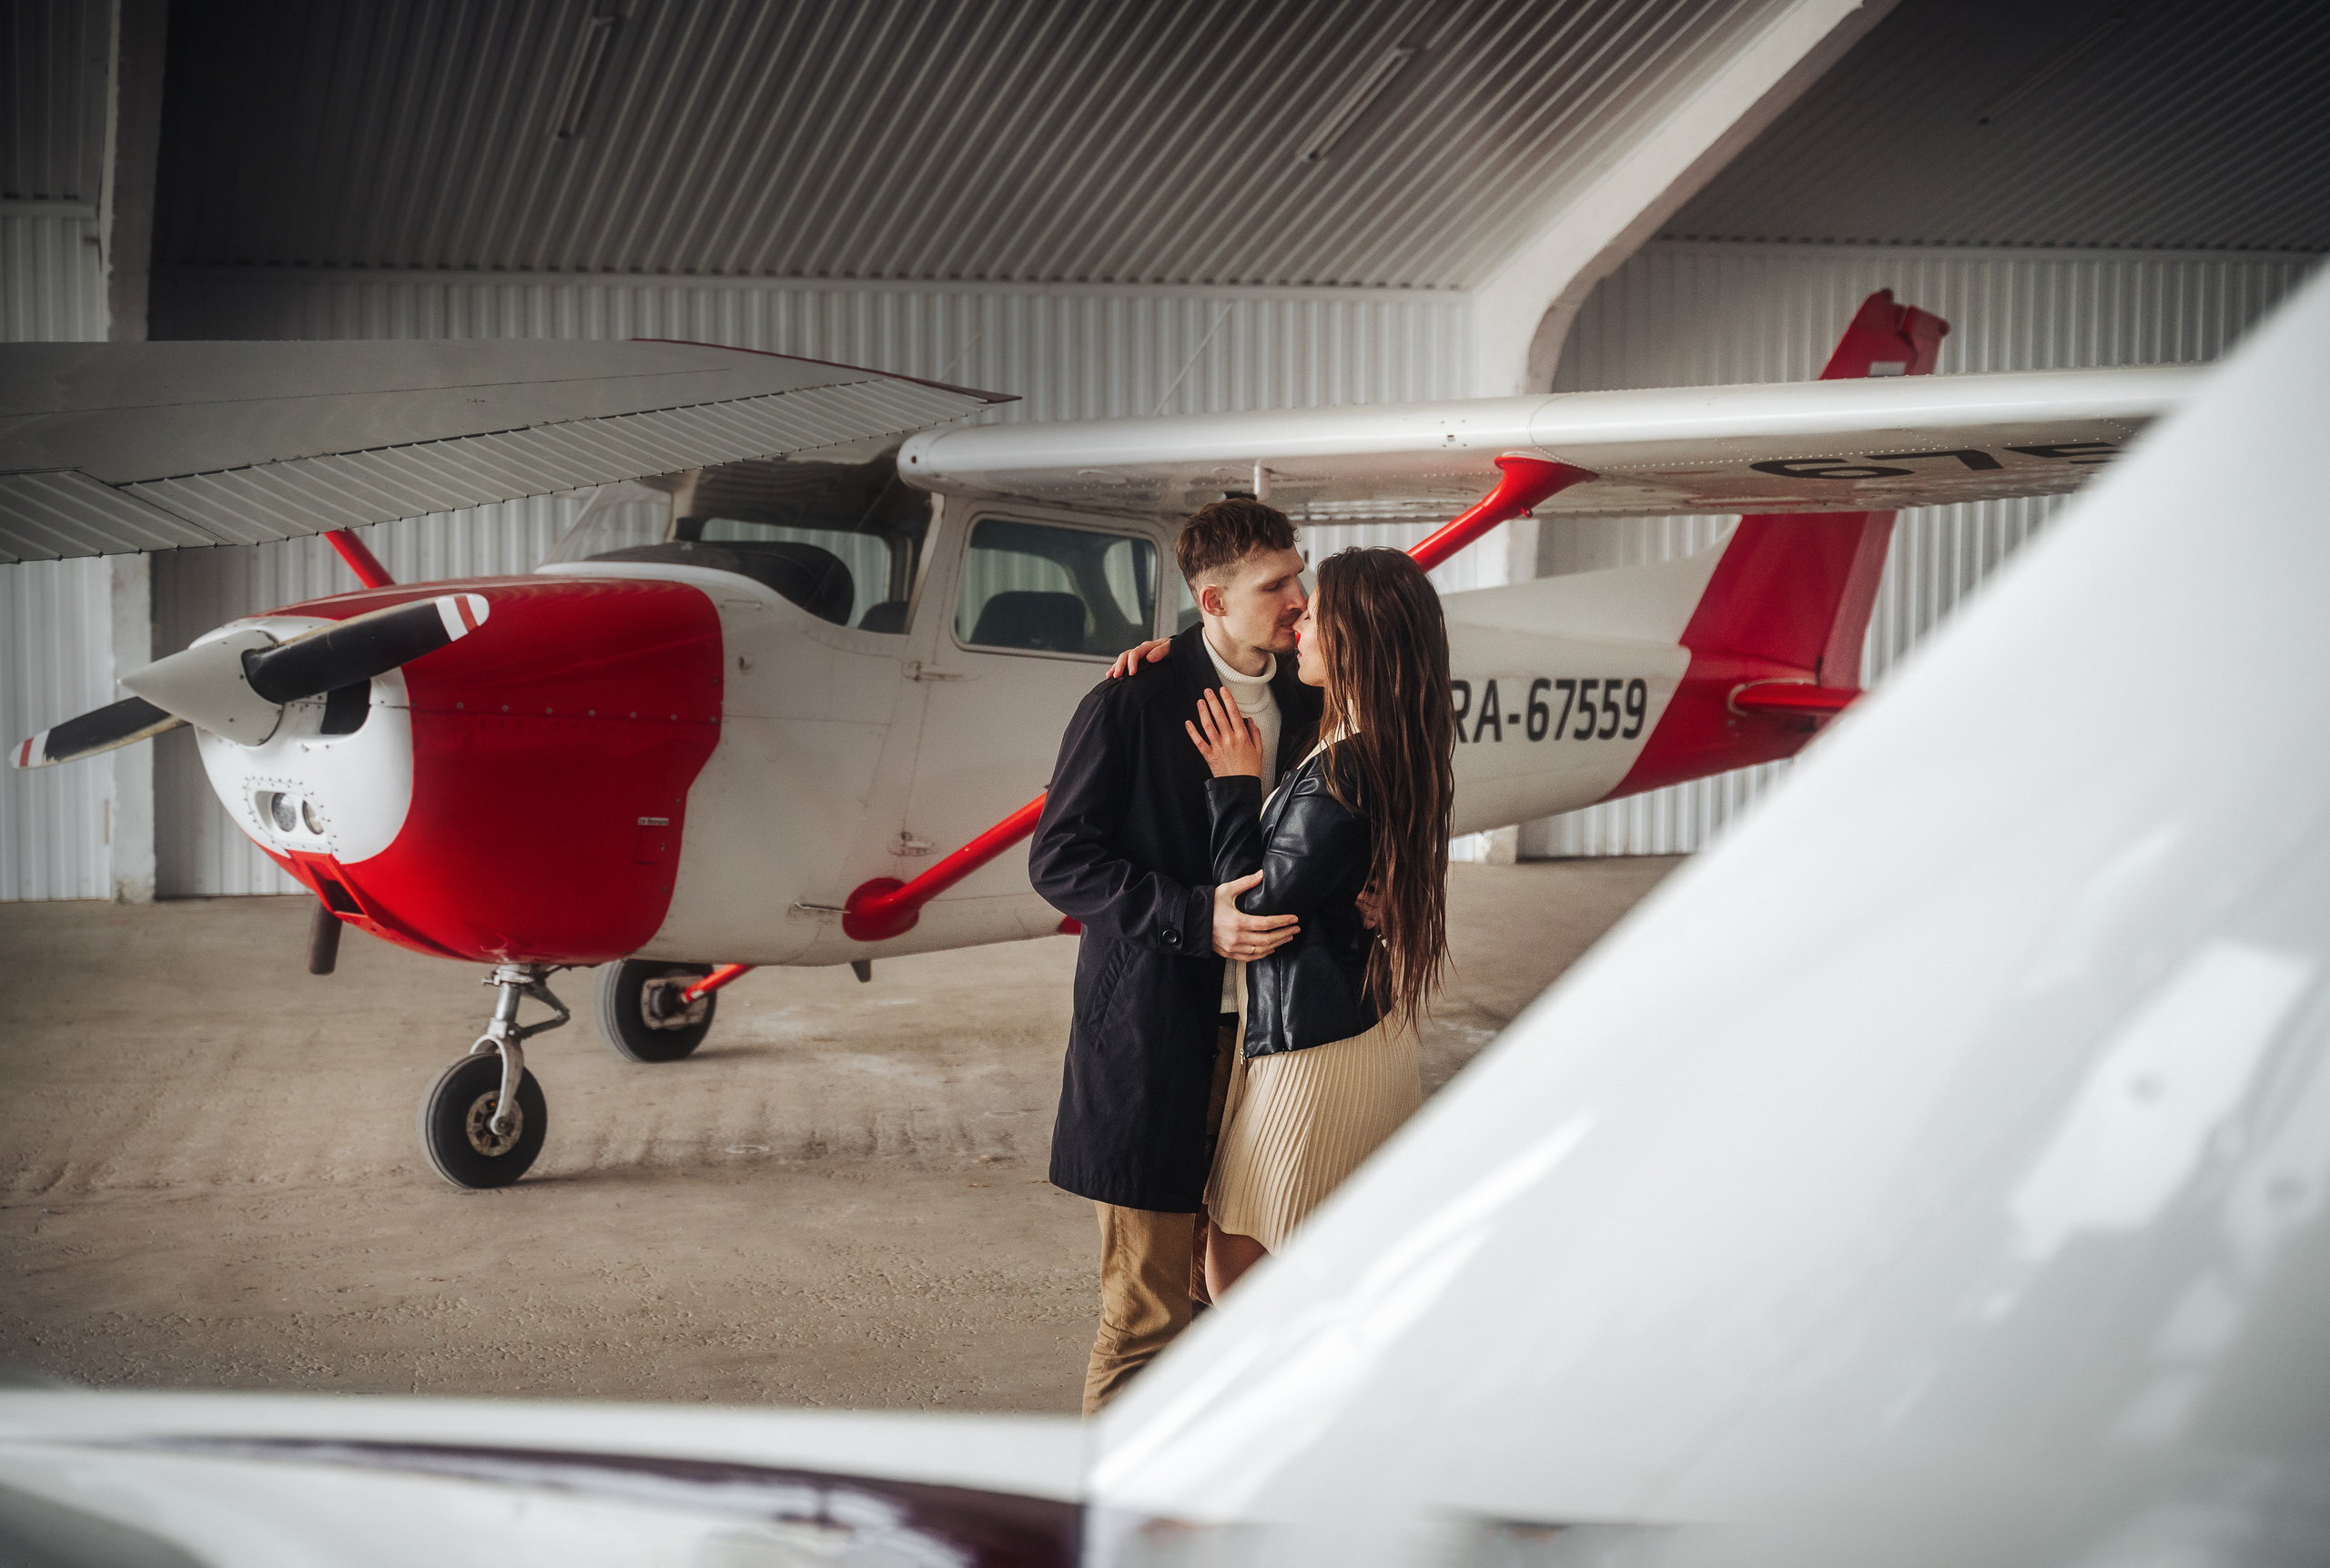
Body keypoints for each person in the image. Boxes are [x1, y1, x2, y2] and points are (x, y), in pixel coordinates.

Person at [1028, 498, 1323, 1415]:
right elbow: (1059, 861)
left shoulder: (1314, 696)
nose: (1297, 598)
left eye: (1297, 574)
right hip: (1154, 1034)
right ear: (1212, 598)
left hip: (1277, 1040)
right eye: (1275, 584)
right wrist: (1197, 919)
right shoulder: (1131, 701)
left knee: (1249, 1298)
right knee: (1146, 1313)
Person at [1184, 547, 1454, 1298]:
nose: (1297, 619)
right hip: (1348, 1027)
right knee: (1311, 1261)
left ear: (1354, 638)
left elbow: (1258, 907)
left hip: (1314, 1050)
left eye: (1315, 613)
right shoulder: (1377, 741)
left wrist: (1236, 788)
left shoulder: (1348, 765)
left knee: (1236, 1269)